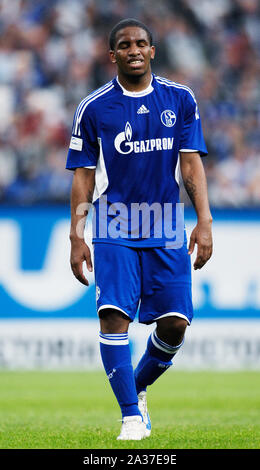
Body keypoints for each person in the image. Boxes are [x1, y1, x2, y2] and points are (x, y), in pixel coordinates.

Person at [66, 18, 213, 441]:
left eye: (141, 43)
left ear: (153, 51)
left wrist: (203, 221)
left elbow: (191, 164)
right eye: (125, 44)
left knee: (175, 325)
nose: (134, 49)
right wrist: (77, 235)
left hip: (166, 226)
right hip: (113, 226)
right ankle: (131, 416)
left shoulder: (180, 99)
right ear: (112, 55)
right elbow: (83, 177)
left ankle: (139, 386)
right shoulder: (94, 108)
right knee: (113, 316)